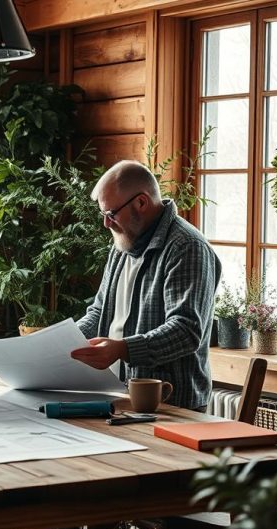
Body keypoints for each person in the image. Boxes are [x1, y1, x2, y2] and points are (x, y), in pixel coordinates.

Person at [70, 160, 221, 412]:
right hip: (118, 397)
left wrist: (122, 349)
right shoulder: (123, 242)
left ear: (141, 203)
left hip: (171, 406)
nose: (106, 224)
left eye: (111, 214)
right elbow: (99, 312)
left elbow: (186, 331)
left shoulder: (187, 247)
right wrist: (63, 343)